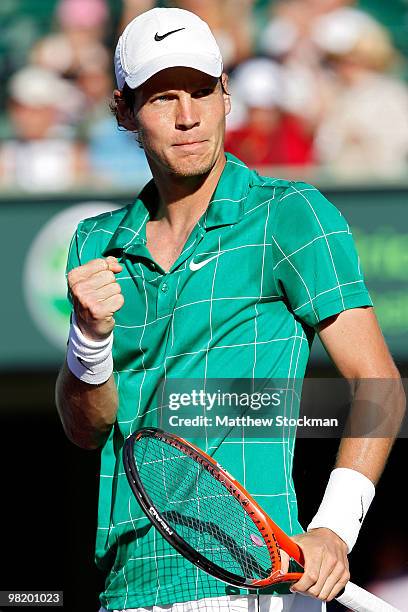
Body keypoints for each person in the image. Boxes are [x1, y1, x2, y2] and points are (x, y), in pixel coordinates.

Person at [55, 7, 405, 612]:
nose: (188, 117)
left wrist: (334, 529)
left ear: (226, 97)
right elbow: (88, 428)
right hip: (128, 588)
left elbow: (381, 384)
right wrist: (89, 339)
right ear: (123, 111)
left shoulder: (291, 213)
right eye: (163, 98)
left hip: (261, 586)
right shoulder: (94, 243)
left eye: (202, 92)